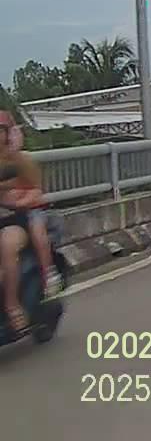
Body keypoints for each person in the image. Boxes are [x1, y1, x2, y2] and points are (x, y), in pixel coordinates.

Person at [0, 112, 61, 333]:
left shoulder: (21, 160)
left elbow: (36, 191)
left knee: (7, 244)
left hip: (21, 219)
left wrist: (17, 201)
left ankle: (12, 305)